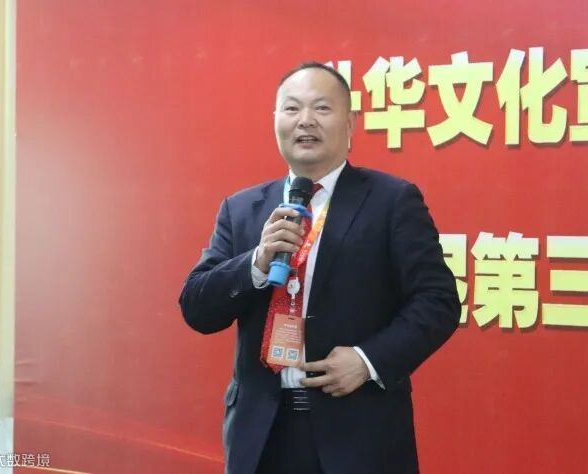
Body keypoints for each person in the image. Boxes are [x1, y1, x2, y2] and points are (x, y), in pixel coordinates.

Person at [179, 62, 460, 474]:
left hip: (359, 433)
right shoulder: (242, 209)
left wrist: (367, 360)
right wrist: (257, 261)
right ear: (275, 120)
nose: (305, 121)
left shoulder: (391, 200)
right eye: (292, 108)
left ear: (350, 123)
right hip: (261, 436)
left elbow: (438, 301)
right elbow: (197, 308)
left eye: (322, 108)